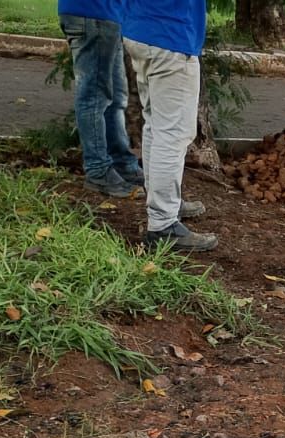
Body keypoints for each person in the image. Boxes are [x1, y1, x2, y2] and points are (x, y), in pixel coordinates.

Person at [121, 0, 216, 252]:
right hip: (170, 37)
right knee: (172, 134)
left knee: (156, 126)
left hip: (142, 30)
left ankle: (162, 204)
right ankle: (163, 223)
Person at [58, 0, 142, 198]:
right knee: (94, 97)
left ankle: (121, 163)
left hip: (105, 16)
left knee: (116, 98)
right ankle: (98, 170)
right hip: (93, 15)